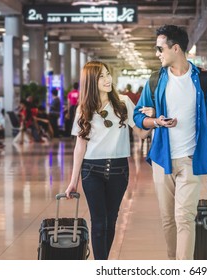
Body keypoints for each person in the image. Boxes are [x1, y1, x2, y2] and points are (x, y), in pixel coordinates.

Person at [133, 25, 207, 260]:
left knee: (184, 217)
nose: (157, 53)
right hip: (162, 160)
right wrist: (156, 121)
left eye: (160, 48)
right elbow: (138, 117)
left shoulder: (204, 80)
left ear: (176, 48)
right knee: (168, 220)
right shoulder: (155, 81)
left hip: (191, 161)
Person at [64, 61, 154, 260]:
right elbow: (80, 146)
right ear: (90, 82)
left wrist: (154, 122)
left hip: (118, 170)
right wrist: (73, 181)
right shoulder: (83, 109)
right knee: (98, 222)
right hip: (91, 170)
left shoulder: (123, 103)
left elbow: (140, 133)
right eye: (101, 77)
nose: (107, 80)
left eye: (107, 74)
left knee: (110, 220)